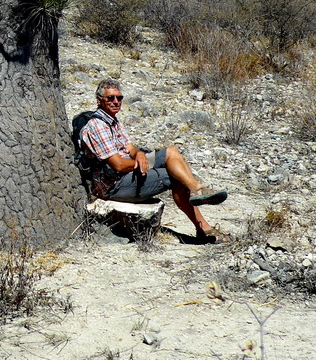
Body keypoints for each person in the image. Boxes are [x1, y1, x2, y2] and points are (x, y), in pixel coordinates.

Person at [78, 77, 227, 241]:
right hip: (114, 185)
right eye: (110, 98)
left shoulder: (113, 121)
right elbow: (118, 165)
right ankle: (203, 229)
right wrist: (139, 163)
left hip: (127, 174)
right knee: (175, 178)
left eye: (119, 98)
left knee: (171, 152)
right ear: (99, 100)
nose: (116, 102)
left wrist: (140, 154)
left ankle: (196, 189)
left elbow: (130, 148)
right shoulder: (97, 125)